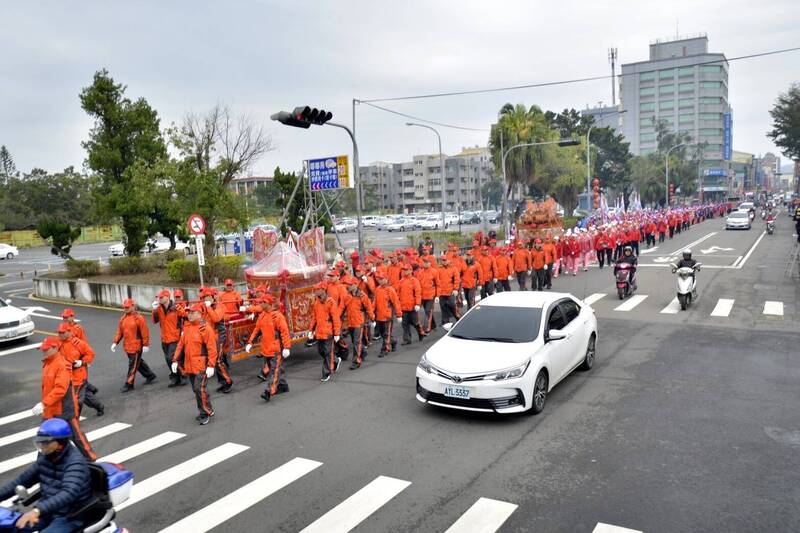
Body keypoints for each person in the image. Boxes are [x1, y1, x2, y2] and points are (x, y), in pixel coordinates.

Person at [0, 419, 93, 532]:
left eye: (45, 442)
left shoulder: (75, 463)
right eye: (40, 442)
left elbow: (68, 494)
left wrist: (37, 511)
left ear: (60, 443)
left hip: (69, 515)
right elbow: (21, 481)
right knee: (11, 526)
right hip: (48, 511)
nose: (41, 446)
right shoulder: (46, 457)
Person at [32, 337, 96, 461]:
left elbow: (60, 389)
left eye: (46, 349)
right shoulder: (48, 362)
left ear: (55, 348)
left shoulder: (62, 365)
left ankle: (91, 458)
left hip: (63, 411)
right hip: (50, 410)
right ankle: (40, 464)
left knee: (76, 436)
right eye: (42, 349)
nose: (43, 351)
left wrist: (44, 404)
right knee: (44, 437)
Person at [171, 304, 217, 425]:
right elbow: (180, 345)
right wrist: (175, 360)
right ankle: (208, 408)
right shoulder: (187, 328)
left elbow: (212, 349)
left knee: (198, 388)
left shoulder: (206, 329)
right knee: (197, 389)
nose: (189, 314)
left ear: (200, 314)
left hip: (202, 366)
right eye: (189, 312)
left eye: (192, 312)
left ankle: (204, 413)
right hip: (190, 365)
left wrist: (211, 365)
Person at [58, 311, 103, 417]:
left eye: (62, 333)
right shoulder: (58, 343)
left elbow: (89, 353)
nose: (59, 334)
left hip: (78, 375)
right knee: (84, 394)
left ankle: (74, 419)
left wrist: (83, 362)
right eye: (59, 332)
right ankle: (99, 405)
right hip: (66, 375)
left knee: (76, 398)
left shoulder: (78, 341)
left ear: (68, 332)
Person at [246, 297, 291, 402]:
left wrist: (287, 347)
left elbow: (284, 332)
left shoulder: (277, 316)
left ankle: (269, 391)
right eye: (261, 302)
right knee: (276, 368)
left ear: (269, 304)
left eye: (263, 302)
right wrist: (250, 342)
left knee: (274, 371)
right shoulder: (261, 316)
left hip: (276, 349)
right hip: (266, 349)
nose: (261, 304)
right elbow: (256, 330)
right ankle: (283, 385)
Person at [111, 298, 156, 393]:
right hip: (127, 347)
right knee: (137, 363)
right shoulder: (123, 318)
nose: (126, 309)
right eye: (125, 307)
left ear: (133, 306)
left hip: (136, 347)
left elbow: (145, 332)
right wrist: (115, 342)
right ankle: (150, 375)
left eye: (127, 307)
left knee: (132, 365)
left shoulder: (139, 318)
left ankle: (129, 383)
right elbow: (120, 332)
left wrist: (145, 345)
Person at [200, 288, 232, 393]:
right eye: (205, 297)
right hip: (210, 337)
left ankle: (228, 382)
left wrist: (208, 307)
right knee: (215, 360)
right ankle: (223, 382)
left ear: (213, 297)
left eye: (208, 297)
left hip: (220, 337)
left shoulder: (219, 306)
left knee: (218, 360)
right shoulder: (205, 308)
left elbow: (216, 318)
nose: (206, 299)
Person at [308, 282, 342, 382]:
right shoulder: (317, 302)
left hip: (328, 332)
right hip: (319, 332)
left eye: (317, 289)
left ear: (323, 290)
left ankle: (326, 372)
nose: (316, 291)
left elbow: (335, 318)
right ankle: (335, 360)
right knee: (320, 351)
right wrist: (311, 330)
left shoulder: (331, 302)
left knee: (327, 352)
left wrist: (336, 333)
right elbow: (314, 317)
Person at [152, 289, 184, 387]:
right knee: (168, 359)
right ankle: (175, 378)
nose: (159, 299)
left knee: (172, 358)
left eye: (161, 297)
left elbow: (186, 317)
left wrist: (184, 331)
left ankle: (183, 375)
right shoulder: (159, 308)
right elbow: (155, 321)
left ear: (167, 297)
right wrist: (154, 310)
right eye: (158, 297)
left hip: (175, 338)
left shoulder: (176, 307)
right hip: (164, 338)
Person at [341, 276, 375, 369]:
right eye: (348, 284)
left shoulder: (362, 296)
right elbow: (342, 308)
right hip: (350, 322)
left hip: (359, 322)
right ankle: (363, 352)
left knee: (356, 342)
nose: (348, 286)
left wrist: (372, 319)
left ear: (356, 285)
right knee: (354, 341)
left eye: (350, 284)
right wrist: (339, 317)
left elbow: (368, 308)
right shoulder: (347, 296)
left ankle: (356, 361)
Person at [373, 275, 402, 357]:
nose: (380, 281)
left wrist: (399, 314)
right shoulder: (377, 289)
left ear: (386, 279)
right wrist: (371, 313)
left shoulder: (390, 290)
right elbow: (374, 302)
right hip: (379, 316)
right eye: (379, 279)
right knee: (383, 333)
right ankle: (393, 341)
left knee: (386, 333)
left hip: (387, 316)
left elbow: (396, 303)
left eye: (382, 279)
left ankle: (385, 349)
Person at [397, 264, 426, 345]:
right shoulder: (401, 281)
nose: (405, 271)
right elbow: (398, 294)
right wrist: (398, 305)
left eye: (406, 270)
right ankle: (407, 339)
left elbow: (418, 293)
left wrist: (417, 304)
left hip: (412, 307)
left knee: (415, 322)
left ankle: (421, 333)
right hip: (403, 307)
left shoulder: (414, 281)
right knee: (405, 324)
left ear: (410, 270)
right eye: (404, 270)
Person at [415, 256, 439, 333]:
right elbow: (417, 284)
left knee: (428, 311)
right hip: (422, 295)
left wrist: (437, 295)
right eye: (424, 262)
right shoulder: (420, 272)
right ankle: (434, 325)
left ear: (430, 263)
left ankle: (427, 328)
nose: (425, 264)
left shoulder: (434, 272)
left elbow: (438, 284)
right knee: (426, 311)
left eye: (427, 262)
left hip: (431, 295)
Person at [436, 255, 460, 325]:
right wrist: (437, 294)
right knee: (443, 307)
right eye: (443, 260)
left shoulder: (453, 268)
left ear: (448, 260)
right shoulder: (439, 269)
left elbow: (457, 279)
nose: (444, 261)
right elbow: (437, 281)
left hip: (450, 291)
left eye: (445, 260)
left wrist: (455, 289)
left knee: (452, 305)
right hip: (441, 292)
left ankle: (458, 318)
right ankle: (445, 322)